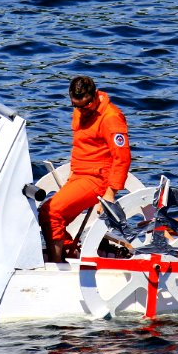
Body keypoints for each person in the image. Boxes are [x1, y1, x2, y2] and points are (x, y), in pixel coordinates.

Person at [39, 76, 132, 262]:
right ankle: (68, 252)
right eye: (76, 106)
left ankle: (58, 264)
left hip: (97, 179)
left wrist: (110, 193)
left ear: (95, 96)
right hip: (79, 175)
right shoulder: (80, 110)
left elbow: (122, 158)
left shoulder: (111, 118)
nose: (81, 110)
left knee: (52, 213)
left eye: (86, 106)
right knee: (45, 214)